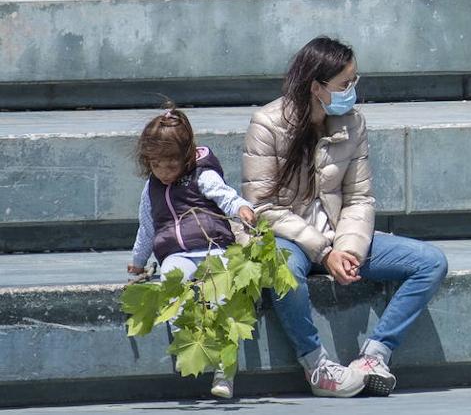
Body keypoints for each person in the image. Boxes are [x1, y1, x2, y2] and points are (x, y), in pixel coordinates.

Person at [243, 37, 448, 398]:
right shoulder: (267, 124)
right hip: (289, 239)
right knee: (283, 270)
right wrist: (324, 253)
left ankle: (375, 354)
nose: (353, 90)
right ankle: (315, 363)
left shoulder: (353, 123)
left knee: (430, 263)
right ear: (315, 87)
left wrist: (349, 248)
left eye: (355, 80)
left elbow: (359, 197)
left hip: (339, 236)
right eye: (344, 84)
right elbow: (262, 208)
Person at [127, 103, 256, 400]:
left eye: (170, 165)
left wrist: (242, 209)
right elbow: (147, 228)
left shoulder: (202, 175)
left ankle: (225, 366)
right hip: (176, 254)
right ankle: (193, 345)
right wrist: (138, 261)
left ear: (186, 157)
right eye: (156, 165)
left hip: (215, 249)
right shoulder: (151, 189)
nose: (163, 172)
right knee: (171, 289)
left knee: (221, 295)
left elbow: (225, 196)